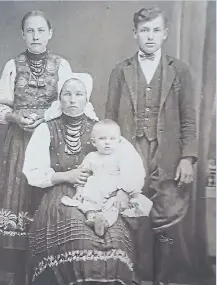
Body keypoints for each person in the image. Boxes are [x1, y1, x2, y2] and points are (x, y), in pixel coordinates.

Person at [23, 73, 144, 285]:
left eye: (78, 94)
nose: (72, 99)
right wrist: (66, 176)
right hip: (61, 193)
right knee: (78, 236)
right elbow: (33, 171)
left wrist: (124, 191)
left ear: (86, 99)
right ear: (59, 98)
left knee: (114, 237)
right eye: (67, 94)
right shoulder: (46, 129)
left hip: (104, 194)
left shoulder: (102, 130)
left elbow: (132, 163)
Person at [105, 6, 197, 285]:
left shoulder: (179, 70)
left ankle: (163, 279)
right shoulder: (121, 71)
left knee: (166, 219)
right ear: (135, 34)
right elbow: (109, 118)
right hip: (131, 153)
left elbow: (189, 118)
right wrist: (112, 160)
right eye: (144, 30)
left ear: (165, 34)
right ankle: (134, 278)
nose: (150, 36)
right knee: (131, 216)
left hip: (167, 155)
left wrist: (188, 158)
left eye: (156, 30)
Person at [0, 10, 72, 285]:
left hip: (48, 142)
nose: (35, 36)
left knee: (45, 203)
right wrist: (15, 117)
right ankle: (16, 276)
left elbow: (70, 103)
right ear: (23, 35)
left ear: (50, 34)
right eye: (30, 31)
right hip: (19, 144)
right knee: (18, 199)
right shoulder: (13, 65)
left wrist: (46, 120)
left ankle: (45, 273)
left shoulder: (61, 66)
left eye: (40, 31)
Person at [61, 119, 152, 237]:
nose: (107, 142)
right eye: (102, 139)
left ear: (118, 141)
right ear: (94, 142)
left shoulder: (120, 157)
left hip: (112, 193)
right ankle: (92, 218)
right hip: (95, 190)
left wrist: (126, 191)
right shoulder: (91, 157)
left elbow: (129, 174)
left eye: (112, 139)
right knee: (87, 204)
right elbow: (83, 175)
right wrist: (79, 190)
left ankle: (104, 222)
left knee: (114, 207)